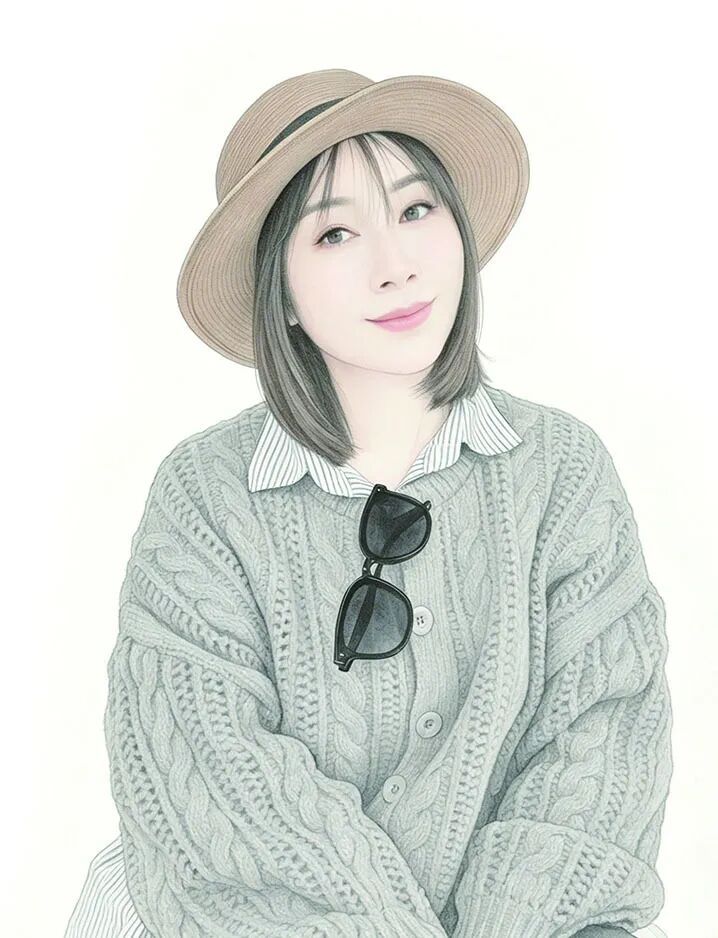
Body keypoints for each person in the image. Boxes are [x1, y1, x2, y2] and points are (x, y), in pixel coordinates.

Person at [64, 69, 672, 938]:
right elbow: (214, 778)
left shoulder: (561, 472)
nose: (396, 266)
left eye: (417, 210)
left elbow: (599, 747)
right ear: (280, 290)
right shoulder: (206, 495)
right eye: (337, 232)